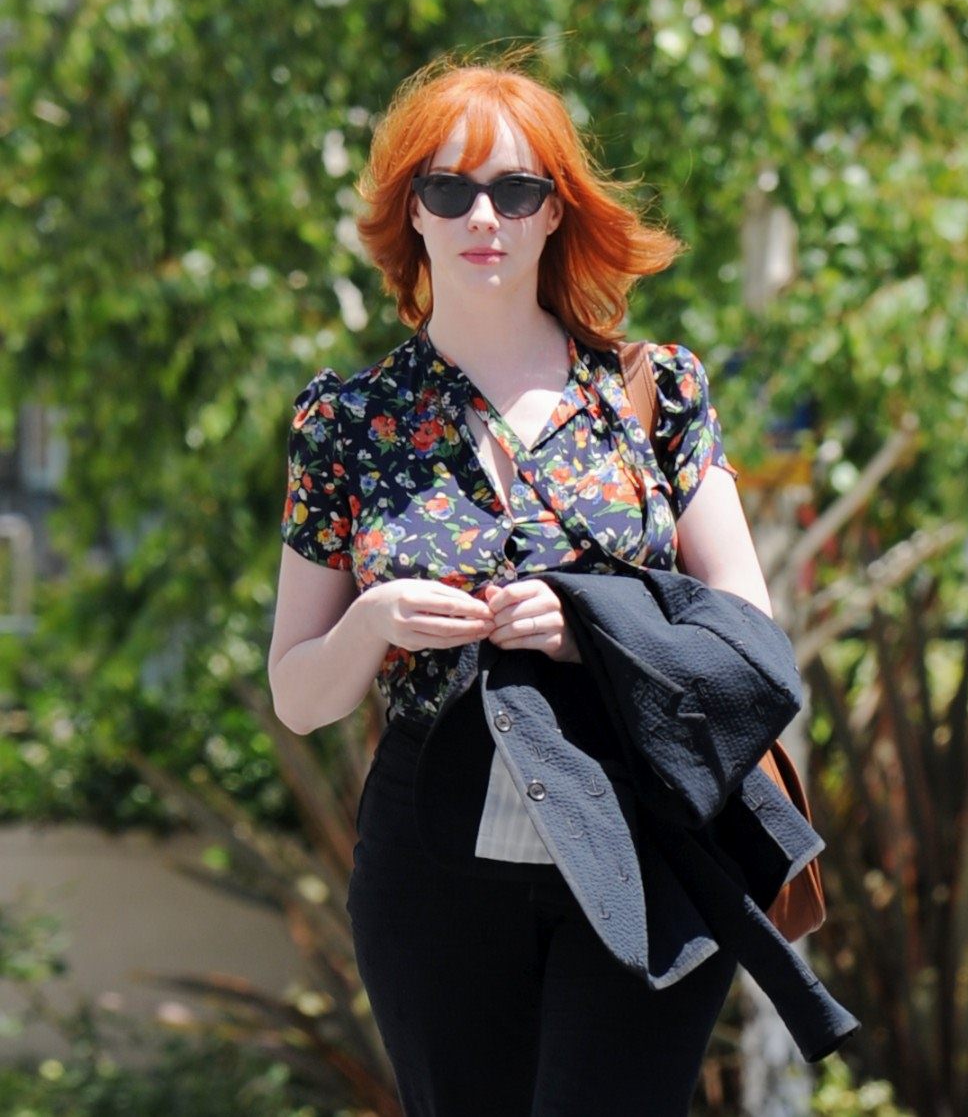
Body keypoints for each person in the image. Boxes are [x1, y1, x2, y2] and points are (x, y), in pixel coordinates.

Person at [268, 58, 775, 1116]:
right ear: (411, 213)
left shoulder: (656, 392)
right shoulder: (347, 425)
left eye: (516, 189)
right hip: (433, 859)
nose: (481, 215)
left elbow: (748, 632)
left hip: (646, 834)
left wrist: (594, 626)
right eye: (447, 189)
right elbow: (299, 694)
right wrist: (372, 621)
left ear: (557, 213)